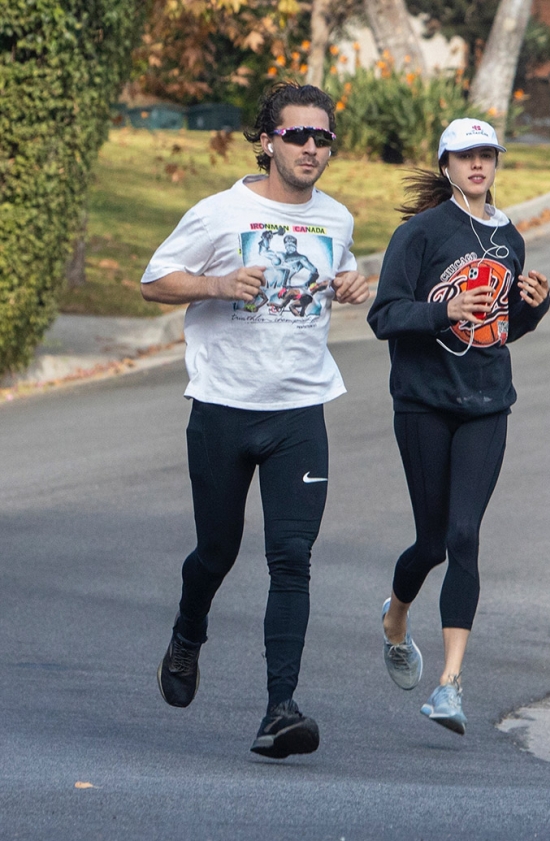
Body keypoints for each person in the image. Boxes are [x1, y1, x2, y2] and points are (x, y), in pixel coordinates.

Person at [140, 82, 368, 759]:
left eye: (321, 137)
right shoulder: (220, 212)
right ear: (267, 139)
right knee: (216, 550)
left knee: (291, 558)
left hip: (299, 408)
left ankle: (280, 709)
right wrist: (215, 284)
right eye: (297, 135)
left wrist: (356, 283)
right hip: (223, 407)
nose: (310, 147)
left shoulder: (337, 220)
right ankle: (188, 632)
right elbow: (155, 280)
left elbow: (340, 275)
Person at [367, 118, 550, 735]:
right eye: (465, 156)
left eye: (487, 156)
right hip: (423, 402)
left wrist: (533, 308)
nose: (478, 166)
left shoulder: (511, 237)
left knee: (465, 535)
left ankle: (449, 685)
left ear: (497, 164)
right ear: (445, 164)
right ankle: (395, 619)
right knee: (431, 543)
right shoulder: (419, 234)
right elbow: (385, 315)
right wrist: (443, 311)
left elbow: (501, 330)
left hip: (487, 402)